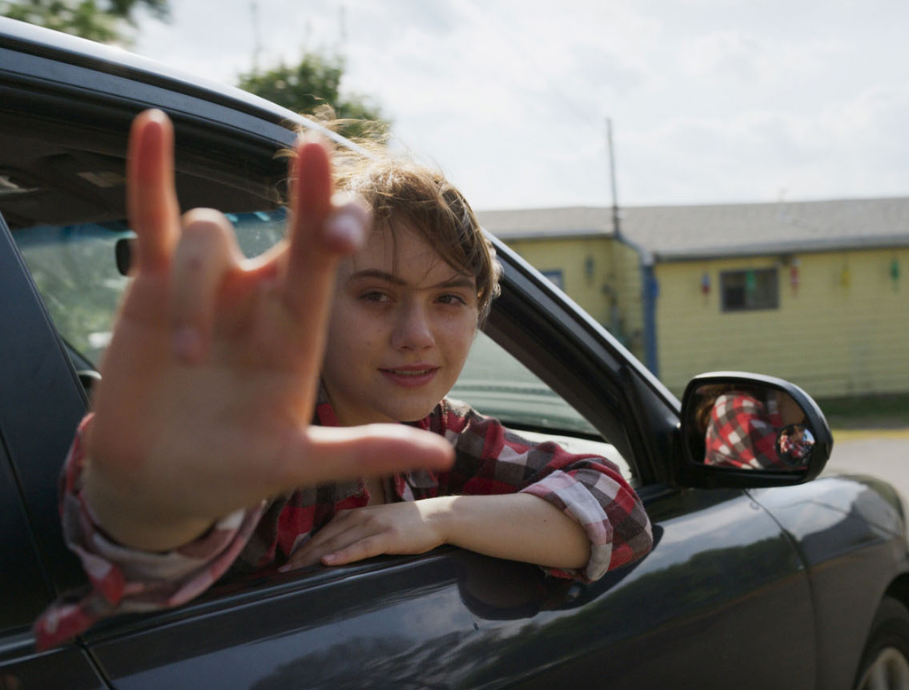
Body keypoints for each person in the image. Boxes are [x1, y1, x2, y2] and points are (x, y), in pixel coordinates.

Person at [34, 110, 652, 649]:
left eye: (449, 300)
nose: (418, 334)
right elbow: (143, 552)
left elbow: (620, 513)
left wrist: (436, 519)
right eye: (377, 295)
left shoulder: (438, 431)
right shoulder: (263, 435)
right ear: (312, 309)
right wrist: (147, 503)